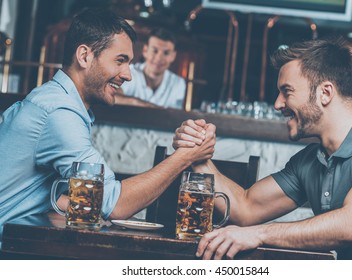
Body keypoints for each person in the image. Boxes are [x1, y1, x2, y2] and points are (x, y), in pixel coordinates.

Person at [0, 8, 215, 244]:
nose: (128, 75)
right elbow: (116, 204)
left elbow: (39, 193)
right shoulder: (59, 112)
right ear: (84, 56)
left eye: (130, 63)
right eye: (120, 61)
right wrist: (186, 155)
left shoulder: (54, 100)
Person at [173, 37, 352, 260]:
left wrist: (258, 234)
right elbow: (246, 207)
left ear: (325, 93)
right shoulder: (310, 160)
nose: (277, 103)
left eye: (286, 91)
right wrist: (196, 153)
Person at [114, 27, 186, 109]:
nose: (159, 58)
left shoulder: (178, 83)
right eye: (155, 50)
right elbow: (114, 97)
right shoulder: (129, 72)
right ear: (145, 50)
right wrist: (144, 105)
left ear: (173, 56)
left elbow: (174, 115)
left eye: (166, 53)